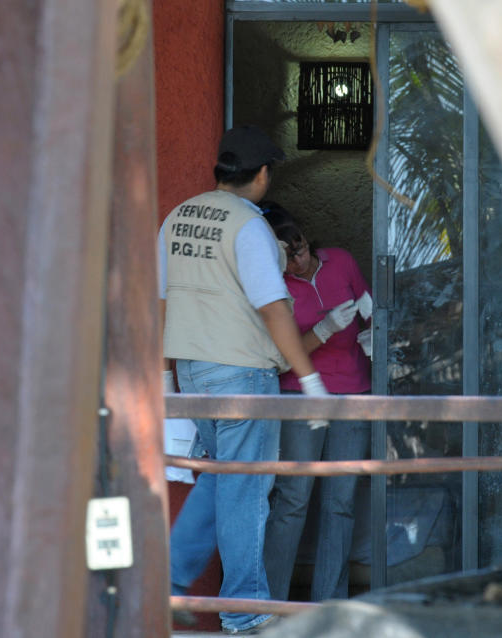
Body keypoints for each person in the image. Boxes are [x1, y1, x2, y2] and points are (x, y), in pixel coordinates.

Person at [159, 126, 329, 635]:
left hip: (192, 369)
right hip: (240, 373)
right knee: (247, 487)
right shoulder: (249, 227)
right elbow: (273, 307)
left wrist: (165, 373)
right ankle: (245, 611)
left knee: (221, 478)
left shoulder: (178, 217)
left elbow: (162, 301)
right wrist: (310, 379)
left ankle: (166, 581)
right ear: (261, 175)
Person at [260, 202, 372, 602]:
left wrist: (373, 332)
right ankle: (267, 603)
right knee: (293, 498)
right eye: (288, 257)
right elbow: (282, 356)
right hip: (300, 393)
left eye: (301, 248)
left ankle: (331, 601)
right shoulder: (274, 287)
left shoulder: (340, 261)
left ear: (306, 238)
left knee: (340, 501)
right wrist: (325, 329)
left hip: (354, 390)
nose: (298, 261)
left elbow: (371, 309)